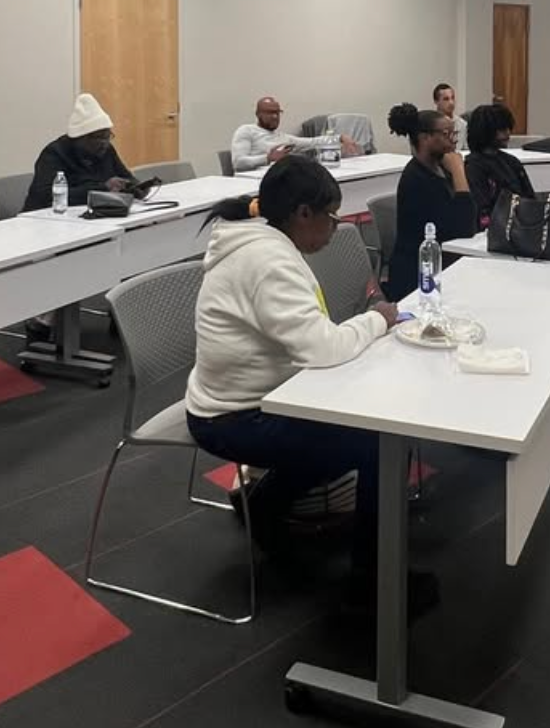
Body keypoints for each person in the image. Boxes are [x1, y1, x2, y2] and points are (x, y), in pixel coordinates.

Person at [185, 158, 423, 603]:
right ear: (302, 214)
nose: (335, 229)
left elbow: (310, 340)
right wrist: (377, 320)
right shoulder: (265, 258)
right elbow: (322, 348)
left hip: (257, 396)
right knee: (378, 444)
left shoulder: (264, 243)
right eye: (331, 218)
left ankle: (266, 505)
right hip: (235, 417)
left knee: (356, 424)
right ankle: (374, 585)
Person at [383, 103, 475, 300]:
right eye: (446, 133)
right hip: (418, 278)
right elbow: (463, 228)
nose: (453, 140)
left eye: (454, 133)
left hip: (442, 263)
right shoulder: (416, 179)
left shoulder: (441, 167)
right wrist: (459, 172)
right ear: (425, 138)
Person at [23, 93, 134, 211]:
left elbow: (128, 178)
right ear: (81, 138)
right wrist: (102, 188)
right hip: (45, 219)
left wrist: (133, 187)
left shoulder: (106, 150)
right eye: (99, 137)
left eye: (108, 136)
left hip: (90, 217)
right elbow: (46, 197)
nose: (105, 143)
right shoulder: (54, 154)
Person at [230, 96, 360, 173]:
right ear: (258, 114)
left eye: (277, 113)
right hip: (251, 184)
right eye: (270, 113)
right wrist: (268, 158)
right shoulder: (246, 130)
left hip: (279, 181)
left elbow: (312, 142)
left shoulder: (283, 137)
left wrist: (340, 137)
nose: (275, 116)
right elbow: (238, 163)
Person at [464, 103, 534, 230]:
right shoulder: (473, 167)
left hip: (521, 226)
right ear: (486, 131)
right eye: (501, 130)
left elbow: (530, 199)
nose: (508, 133)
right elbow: (481, 209)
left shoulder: (512, 162)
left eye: (508, 128)